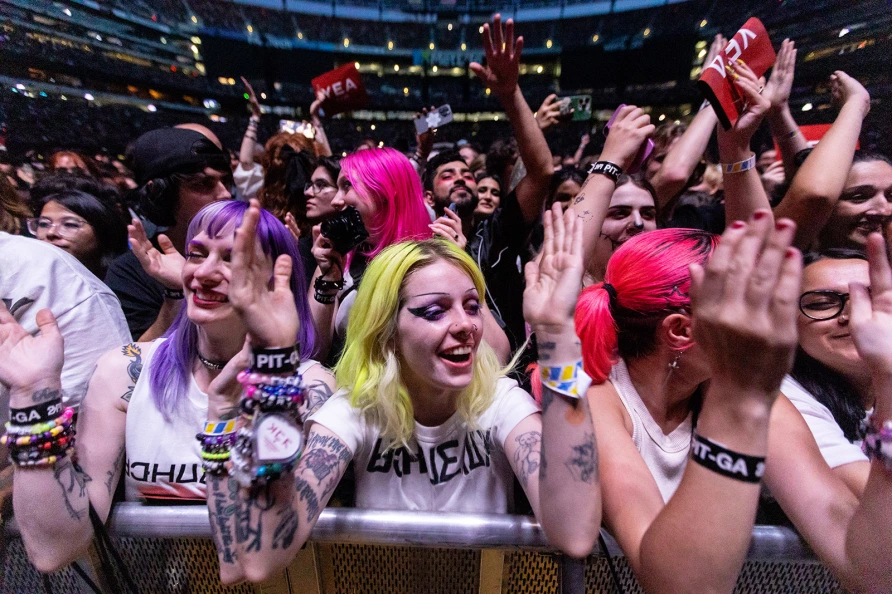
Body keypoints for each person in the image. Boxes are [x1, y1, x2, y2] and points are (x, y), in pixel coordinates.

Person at [205, 204, 601, 583]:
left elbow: (575, 534)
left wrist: (557, 336)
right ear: (387, 331)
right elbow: (260, 560)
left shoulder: (497, 399)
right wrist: (275, 363)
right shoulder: (356, 409)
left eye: (471, 306)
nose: (465, 326)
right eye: (435, 311)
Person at [0, 200, 332, 576]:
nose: (205, 272)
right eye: (197, 253)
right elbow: (54, 549)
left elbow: (245, 566)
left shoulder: (307, 386)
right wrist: (31, 396)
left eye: (233, 260)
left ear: (277, 282)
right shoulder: (126, 371)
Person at [575, 217, 892, 593]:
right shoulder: (594, 398)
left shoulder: (747, 393)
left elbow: (870, 570)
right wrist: (736, 396)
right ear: (680, 330)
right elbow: (678, 587)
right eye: (746, 302)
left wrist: (888, 380)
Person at [421, 15, 554, 353]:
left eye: (467, 174)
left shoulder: (494, 235)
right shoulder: (413, 247)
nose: (462, 178)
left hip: (506, 382)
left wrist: (510, 97)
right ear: (427, 195)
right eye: (447, 175)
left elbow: (541, 173)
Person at [308, 147, 439, 362]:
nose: (335, 200)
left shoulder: (434, 261)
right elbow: (313, 352)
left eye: (347, 185)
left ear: (386, 189)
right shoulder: (340, 255)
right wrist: (329, 281)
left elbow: (496, 352)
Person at [105, 126, 232, 340]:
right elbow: (136, 360)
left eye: (225, 181)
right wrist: (176, 293)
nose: (225, 194)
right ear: (161, 193)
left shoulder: (251, 252)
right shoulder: (130, 271)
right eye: (203, 184)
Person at [783, 249, 871, 494]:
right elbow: (861, 490)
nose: (852, 316)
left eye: (871, 298)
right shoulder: (781, 396)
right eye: (822, 304)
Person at [28, 189, 128, 278]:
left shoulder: (120, 283)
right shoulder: (24, 276)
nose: (50, 233)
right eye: (44, 224)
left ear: (102, 233)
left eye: (69, 225)